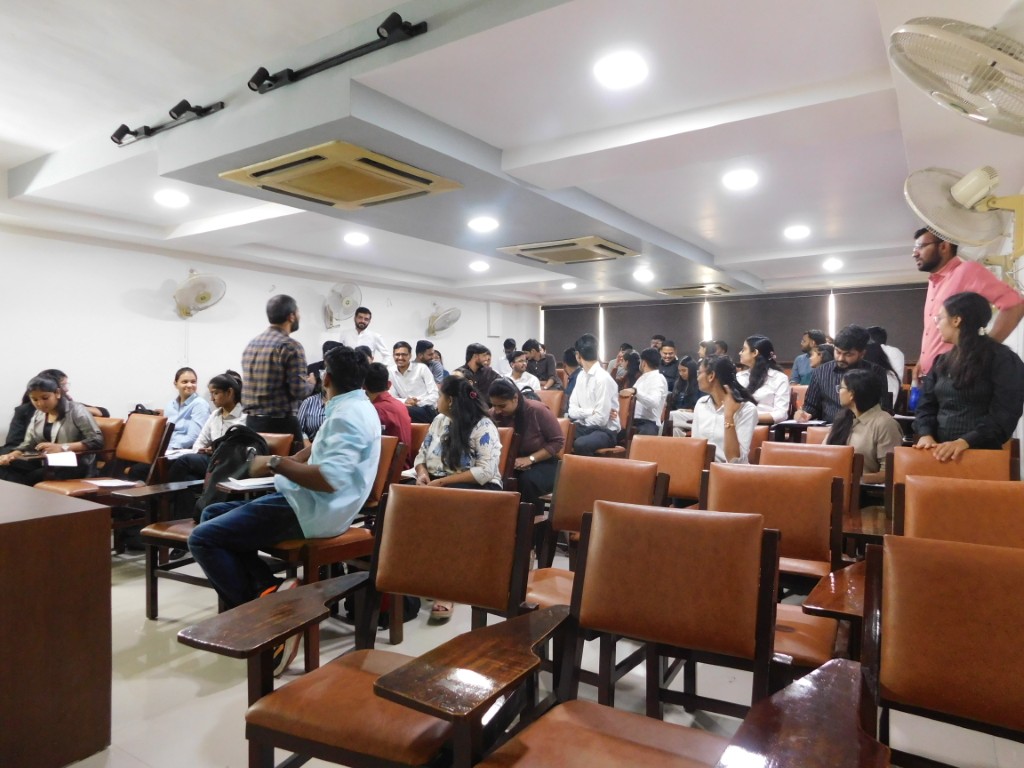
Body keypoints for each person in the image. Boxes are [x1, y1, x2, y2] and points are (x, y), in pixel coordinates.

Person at [189, 345, 380, 674]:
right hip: (308, 501)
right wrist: (289, 461)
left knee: (202, 539)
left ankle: (268, 620)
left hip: (311, 509)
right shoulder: (353, 405)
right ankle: (269, 590)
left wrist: (276, 463)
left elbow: (328, 480)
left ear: (326, 378)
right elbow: (318, 450)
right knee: (212, 515)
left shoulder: (347, 416)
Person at [913, 291, 1024, 461]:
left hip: (980, 455)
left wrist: (965, 441)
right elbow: (925, 405)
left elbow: (1005, 413)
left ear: (956, 320)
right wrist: (925, 434)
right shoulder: (941, 361)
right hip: (937, 452)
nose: (937, 325)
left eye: (939, 319)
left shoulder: (1002, 359)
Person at [912, 228, 1024, 378]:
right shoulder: (934, 281)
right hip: (931, 376)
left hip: (955, 375)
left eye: (920, 246)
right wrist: (923, 359)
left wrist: (984, 350)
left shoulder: (967, 270)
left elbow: (1015, 304)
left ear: (944, 246)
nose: (915, 253)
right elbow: (932, 331)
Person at [0, 374, 103, 485]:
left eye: (45, 398)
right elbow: (28, 443)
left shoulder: (76, 410)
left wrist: (62, 447)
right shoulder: (39, 413)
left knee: (31, 477)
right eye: (34, 399)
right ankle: (19, 491)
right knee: (4, 466)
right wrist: (12, 455)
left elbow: (96, 440)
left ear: (57, 393)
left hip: (73, 463)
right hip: (46, 462)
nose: (40, 403)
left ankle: (20, 492)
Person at [241, 294, 310, 452]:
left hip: (252, 425)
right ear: (291, 316)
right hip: (281, 426)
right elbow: (298, 391)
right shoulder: (290, 346)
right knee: (290, 467)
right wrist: (311, 384)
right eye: (298, 312)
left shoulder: (252, 344)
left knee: (257, 466)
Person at [414, 375, 501, 490]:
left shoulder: (484, 426)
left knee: (449, 492)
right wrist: (422, 474)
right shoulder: (439, 420)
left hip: (474, 485)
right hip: (437, 480)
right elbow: (421, 456)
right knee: (407, 489)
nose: (437, 400)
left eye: (440, 396)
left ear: (450, 401)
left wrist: (442, 482)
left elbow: (486, 471)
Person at [488, 377, 564, 507]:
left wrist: (530, 459)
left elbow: (557, 441)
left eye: (502, 406)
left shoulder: (536, 410)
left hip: (544, 462)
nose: (497, 410)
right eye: (494, 405)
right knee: (491, 479)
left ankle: (530, 518)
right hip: (510, 463)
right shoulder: (492, 415)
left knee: (527, 480)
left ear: (515, 398)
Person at [168, 370, 247, 485]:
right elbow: (199, 442)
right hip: (213, 461)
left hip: (230, 463)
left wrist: (216, 450)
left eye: (215, 393)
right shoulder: (215, 415)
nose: (211, 399)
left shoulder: (244, 417)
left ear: (229, 392)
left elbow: (243, 450)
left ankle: (166, 495)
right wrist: (201, 450)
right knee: (188, 478)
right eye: (211, 394)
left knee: (184, 461)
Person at [796, 325, 887, 424]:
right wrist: (804, 413)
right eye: (838, 352)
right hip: (831, 428)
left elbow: (883, 407)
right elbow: (811, 406)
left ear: (862, 354)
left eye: (848, 354)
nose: (840, 358)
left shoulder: (875, 372)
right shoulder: (820, 372)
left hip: (866, 428)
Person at [826, 369, 904, 484]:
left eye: (841, 388)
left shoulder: (885, 423)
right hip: (833, 486)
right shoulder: (842, 418)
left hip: (866, 490)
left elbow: (889, 473)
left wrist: (852, 480)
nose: (838, 392)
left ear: (851, 394)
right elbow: (824, 454)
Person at [690, 355, 758, 463]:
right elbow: (695, 446)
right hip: (704, 468)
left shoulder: (746, 409)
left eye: (699, 373)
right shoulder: (701, 404)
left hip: (731, 471)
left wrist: (729, 416)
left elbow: (734, 460)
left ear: (711, 376)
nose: (697, 378)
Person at [566, 333, 620, 455]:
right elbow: (571, 411)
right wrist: (591, 412)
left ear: (577, 355)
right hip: (583, 426)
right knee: (556, 435)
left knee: (581, 444)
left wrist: (582, 417)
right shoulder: (580, 376)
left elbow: (601, 419)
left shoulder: (603, 379)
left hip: (605, 431)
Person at [365, 362, 413, 469]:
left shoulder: (374, 410)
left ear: (363, 386)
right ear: (389, 384)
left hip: (388, 469)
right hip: (404, 465)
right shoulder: (400, 404)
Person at [736, 335, 791, 425]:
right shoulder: (739, 376)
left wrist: (749, 417)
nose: (740, 353)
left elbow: (781, 414)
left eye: (744, 349)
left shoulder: (779, 378)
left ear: (755, 353)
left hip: (763, 425)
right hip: (738, 424)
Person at [388, 340, 439, 423]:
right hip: (406, 407)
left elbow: (434, 394)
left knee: (400, 410)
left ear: (410, 356)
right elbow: (393, 397)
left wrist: (417, 402)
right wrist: (405, 401)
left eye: (404, 355)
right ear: (393, 355)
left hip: (426, 408)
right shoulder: (390, 371)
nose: (400, 358)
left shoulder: (422, 368)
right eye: (397, 355)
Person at [620, 348, 668, 436]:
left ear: (643, 363)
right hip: (632, 420)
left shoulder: (658, 378)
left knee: (645, 434)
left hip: (649, 421)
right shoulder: (642, 378)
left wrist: (635, 392)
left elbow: (654, 402)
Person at [164, 367, 212, 451]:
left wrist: (169, 447)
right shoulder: (170, 405)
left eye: (193, 382)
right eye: (185, 382)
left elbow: (194, 437)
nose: (189, 385)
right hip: (166, 448)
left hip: (184, 451)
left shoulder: (200, 404)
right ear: (175, 384)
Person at [297, 366, 327, 442]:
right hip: (311, 445)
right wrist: (307, 444)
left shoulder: (345, 403)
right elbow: (299, 430)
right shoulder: (309, 402)